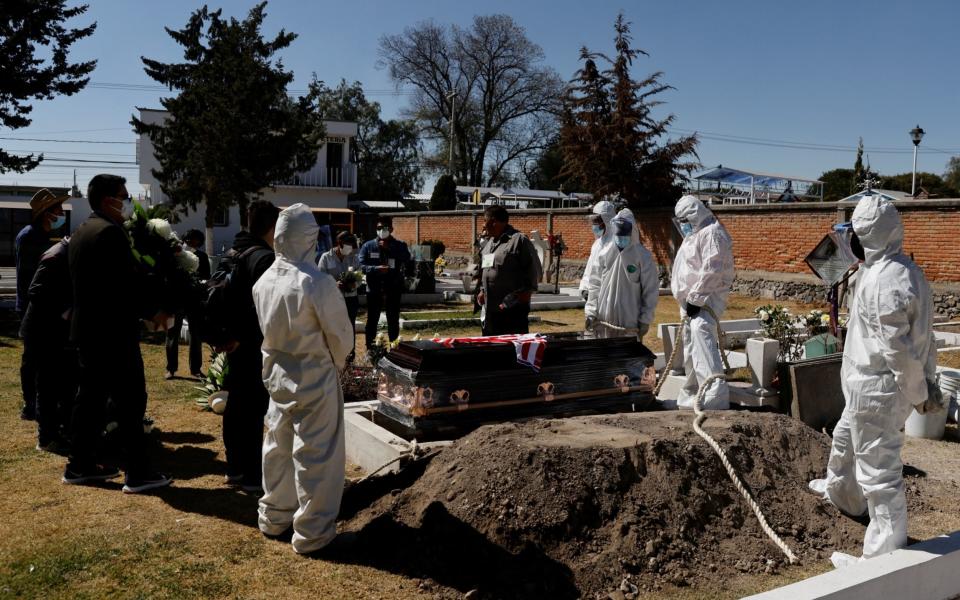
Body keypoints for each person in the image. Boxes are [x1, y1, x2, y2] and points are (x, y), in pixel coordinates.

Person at [808, 195, 939, 568]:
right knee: (845, 440)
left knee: (879, 472)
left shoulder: (884, 281)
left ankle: (883, 557)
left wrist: (919, 392)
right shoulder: (898, 269)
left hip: (877, 389)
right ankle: (841, 492)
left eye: (859, 233)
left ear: (870, 236)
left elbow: (898, 351)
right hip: (865, 385)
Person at [253, 204, 353, 554]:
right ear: (308, 239)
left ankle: (274, 515)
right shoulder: (317, 282)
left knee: (278, 446)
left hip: (277, 374)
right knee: (316, 454)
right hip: (314, 376)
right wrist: (338, 363)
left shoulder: (263, 280)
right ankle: (313, 532)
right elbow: (340, 335)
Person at [65, 174, 172, 492]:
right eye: (124, 197)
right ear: (107, 200)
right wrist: (153, 311)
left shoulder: (83, 231)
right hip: (113, 333)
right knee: (130, 401)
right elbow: (123, 286)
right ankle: (138, 472)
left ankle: (79, 464)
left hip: (88, 331)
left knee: (91, 401)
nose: (127, 203)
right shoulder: (110, 234)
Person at [221, 200, 279, 492]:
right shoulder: (264, 258)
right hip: (253, 343)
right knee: (254, 410)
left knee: (235, 406)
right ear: (273, 227)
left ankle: (233, 468)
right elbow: (263, 307)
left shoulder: (232, 251)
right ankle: (253, 475)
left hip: (231, 342)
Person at [670, 195, 735, 411]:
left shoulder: (712, 233)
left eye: (684, 219)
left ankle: (715, 394)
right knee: (690, 345)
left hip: (706, 299)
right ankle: (694, 392)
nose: (682, 225)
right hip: (690, 302)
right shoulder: (694, 234)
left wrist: (696, 298)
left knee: (702, 335)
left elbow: (712, 270)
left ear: (693, 215)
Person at [21, 238, 76, 454]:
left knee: (61, 383)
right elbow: (35, 291)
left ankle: (58, 430)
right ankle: (47, 437)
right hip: (43, 331)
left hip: (55, 331)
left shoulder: (64, 253)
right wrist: (65, 309)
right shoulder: (56, 256)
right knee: (48, 385)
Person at [16, 188, 67, 421]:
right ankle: (30, 405)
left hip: (47, 306)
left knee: (46, 360)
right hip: (32, 306)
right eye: (58, 209)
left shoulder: (46, 236)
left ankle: (43, 402)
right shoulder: (29, 236)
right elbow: (30, 279)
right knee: (32, 360)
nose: (61, 213)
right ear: (47, 213)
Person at [589, 208, 659, 339]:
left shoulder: (642, 256)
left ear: (631, 233)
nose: (620, 239)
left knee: (627, 357)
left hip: (630, 321)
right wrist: (590, 312)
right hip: (603, 319)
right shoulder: (605, 253)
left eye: (624, 236)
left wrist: (645, 319)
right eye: (618, 236)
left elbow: (650, 290)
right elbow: (594, 284)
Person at [477, 205, 542, 336]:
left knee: (510, 350)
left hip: (512, 311)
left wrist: (524, 295)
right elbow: (487, 269)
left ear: (494, 221)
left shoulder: (518, 240)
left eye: (485, 220)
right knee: (491, 348)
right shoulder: (489, 243)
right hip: (490, 310)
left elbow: (535, 270)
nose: (483, 225)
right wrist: (482, 291)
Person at [165, 229, 211, 380]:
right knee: (172, 333)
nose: (193, 242)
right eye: (191, 239)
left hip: (194, 300)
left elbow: (206, 277)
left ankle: (196, 369)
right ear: (185, 239)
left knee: (196, 335)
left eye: (197, 240)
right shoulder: (175, 254)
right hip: (176, 298)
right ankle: (171, 368)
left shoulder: (202, 257)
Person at [358, 216, 410, 351]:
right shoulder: (368, 246)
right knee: (372, 321)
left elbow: (407, 258)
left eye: (384, 228)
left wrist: (390, 249)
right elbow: (361, 266)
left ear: (391, 229)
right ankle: (371, 349)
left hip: (393, 288)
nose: (381, 230)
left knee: (393, 320)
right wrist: (376, 269)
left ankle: (394, 349)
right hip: (374, 289)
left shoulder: (400, 245)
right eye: (379, 228)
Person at [318, 231, 360, 359]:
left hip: (350, 299)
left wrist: (354, 285)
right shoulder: (326, 257)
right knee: (333, 328)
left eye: (352, 246)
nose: (350, 249)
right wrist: (333, 285)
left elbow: (360, 276)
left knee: (349, 328)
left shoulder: (353, 257)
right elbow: (319, 279)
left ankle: (350, 357)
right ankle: (333, 357)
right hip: (332, 300)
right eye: (348, 245)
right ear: (339, 244)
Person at [580, 200, 616, 311]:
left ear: (607, 221)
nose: (594, 225)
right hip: (592, 299)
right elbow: (589, 270)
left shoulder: (614, 245)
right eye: (593, 221)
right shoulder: (597, 244)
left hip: (608, 300)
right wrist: (584, 288)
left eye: (597, 221)